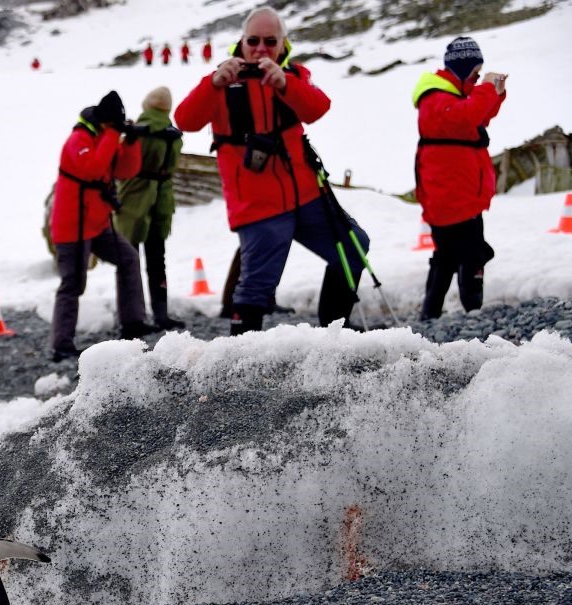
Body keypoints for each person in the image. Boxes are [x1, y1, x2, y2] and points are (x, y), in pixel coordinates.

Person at [174, 7, 370, 334]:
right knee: (257, 285)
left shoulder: (294, 75)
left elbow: (318, 108)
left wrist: (286, 84)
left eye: (270, 41)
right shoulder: (222, 80)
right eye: (253, 40)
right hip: (256, 203)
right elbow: (185, 121)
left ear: (282, 44)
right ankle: (240, 353)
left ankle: (337, 328)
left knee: (354, 246)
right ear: (242, 41)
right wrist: (213, 84)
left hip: (305, 194)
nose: (261, 48)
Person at [48, 90, 156, 361]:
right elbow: (94, 169)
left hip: (96, 224)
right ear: (104, 121)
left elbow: (125, 170)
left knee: (129, 258)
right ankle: (61, 344)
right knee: (73, 283)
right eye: (113, 125)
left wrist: (130, 142)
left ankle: (133, 322)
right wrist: (112, 134)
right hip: (72, 227)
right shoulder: (78, 140)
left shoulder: (101, 136)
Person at [413, 36, 505, 319]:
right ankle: (471, 311)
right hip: (452, 198)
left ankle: (431, 315)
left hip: (460, 196)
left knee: (449, 256)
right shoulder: (436, 99)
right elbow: (468, 116)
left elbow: (477, 118)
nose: (477, 80)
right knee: (470, 254)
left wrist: (495, 93)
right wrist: (487, 89)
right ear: (464, 68)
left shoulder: (451, 98)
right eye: (476, 73)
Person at [114, 87, 185, 331]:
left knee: (128, 259)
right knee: (157, 258)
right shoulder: (174, 134)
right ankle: (161, 314)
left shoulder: (139, 130)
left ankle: (133, 317)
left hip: (135, 197)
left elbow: (123, 163)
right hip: (163, 198)